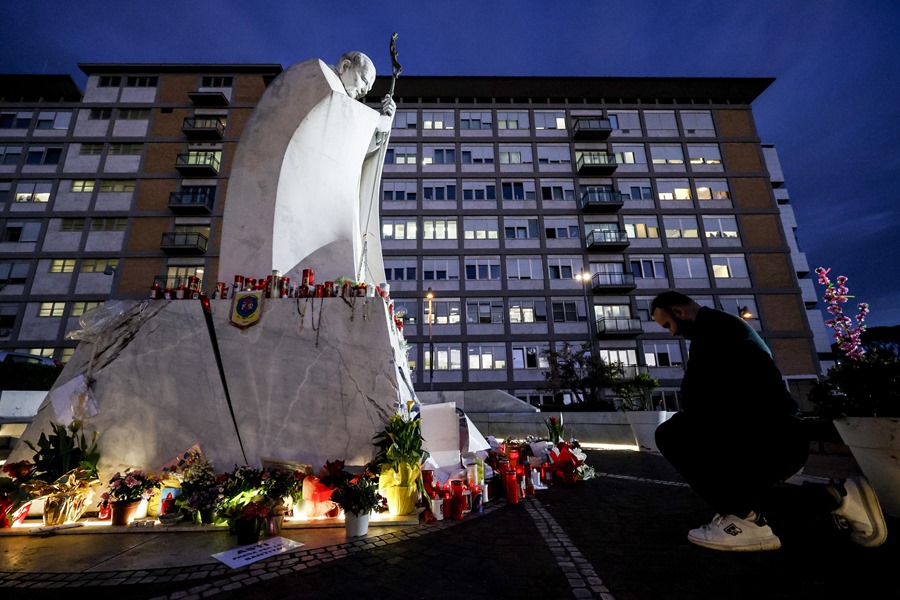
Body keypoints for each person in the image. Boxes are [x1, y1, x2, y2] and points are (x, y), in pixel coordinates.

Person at [650, 290, 887, 551]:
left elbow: (695, 400)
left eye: (668, 324)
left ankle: (747, 522)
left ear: (679, 312)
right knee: (734, 489)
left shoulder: (712, 334)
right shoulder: (725, 326)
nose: (671, 332)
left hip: (770, 442)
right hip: (779, 438)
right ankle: (839, 498)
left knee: (672, 434)